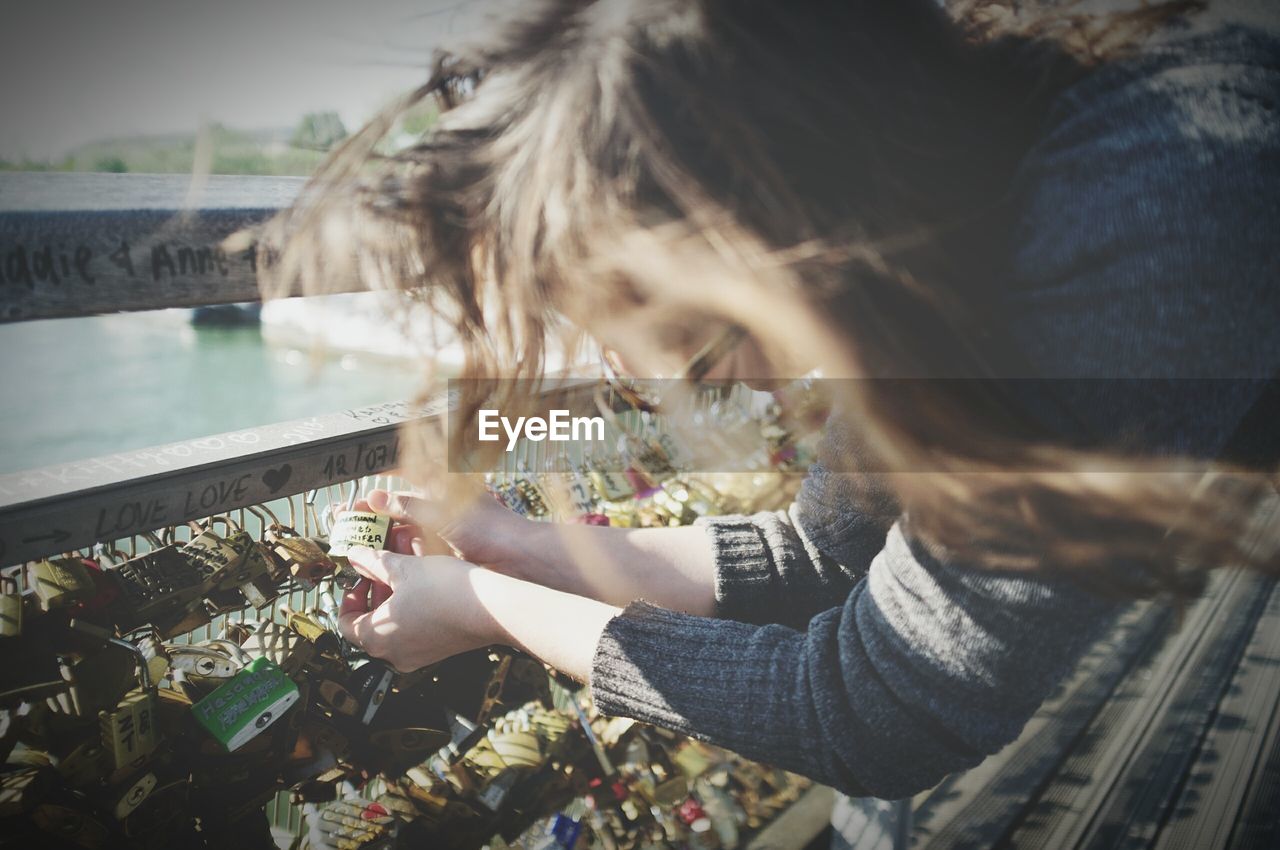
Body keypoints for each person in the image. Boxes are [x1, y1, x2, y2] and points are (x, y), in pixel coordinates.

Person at [267, 0, 1279, 810]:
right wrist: (506, 543)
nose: (752, 388)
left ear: (786, 222)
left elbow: (880, 710)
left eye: (710, 351)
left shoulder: (1159, 205)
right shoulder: (937, 219)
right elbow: (820, 550)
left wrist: (484, 609)